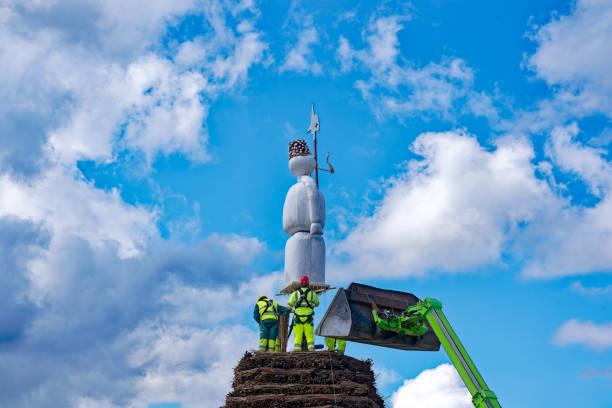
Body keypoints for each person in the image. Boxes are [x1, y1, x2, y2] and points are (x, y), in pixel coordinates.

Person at [288, 275, 319, 351]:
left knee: (298, 336)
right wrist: (312, 305)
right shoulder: (312, 294)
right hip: (309, 318)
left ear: (300, 283)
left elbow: (289, 307)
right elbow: (317, 304)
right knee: (309, 336)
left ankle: (297, 351)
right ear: (308, 283)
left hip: (298, 318)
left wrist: (293, 310)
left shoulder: (295, 294)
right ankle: (311, 351)